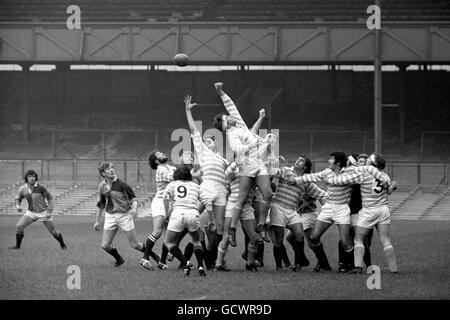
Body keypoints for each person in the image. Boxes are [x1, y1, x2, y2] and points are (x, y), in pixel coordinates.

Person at [213, 82, 274, 246]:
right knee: (242, 198)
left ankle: (261, 225)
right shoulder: (231, 134)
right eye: (227, 117)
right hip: (246, 165)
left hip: (258, 163)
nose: (230, 116)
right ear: (225, 124)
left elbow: (231, 106)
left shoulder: (239, 124)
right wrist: (255, 144)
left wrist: (221, 92)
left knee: (268, 194)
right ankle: (232, 229)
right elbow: (238, 149)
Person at [327, 153, 398, 274]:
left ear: (372, 163)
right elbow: (391, 186)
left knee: (358, 239)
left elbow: (345, 179)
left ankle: (358, 267)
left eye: (369, 160)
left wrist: (331, 179)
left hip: (369, 210)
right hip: (383, 209)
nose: (367, 161)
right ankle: (394, 269)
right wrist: (392, 187)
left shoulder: (364, 174)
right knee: (385, 239)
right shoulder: (384, 175)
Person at [184, 94, 230, 268]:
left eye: (209, 140)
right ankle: (174, 244)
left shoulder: (224, 160)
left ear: (215, 143)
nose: (207, 141)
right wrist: (188, 111)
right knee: (193, 217)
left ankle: (211, 258)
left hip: (222, 191)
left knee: (218, 229)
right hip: (208, 185)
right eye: (205, 141)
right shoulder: (203, 152)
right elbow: (193, 130)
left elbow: (230, 179)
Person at [271, 156, 328, 271]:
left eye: (301, 160)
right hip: (279, 208)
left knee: (300, 235)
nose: (297, 160)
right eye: (298, 159)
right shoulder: (287, 171)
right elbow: (273, 172)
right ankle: (281, 266)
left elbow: (320, 194)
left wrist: (335, 199)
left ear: (305, 167)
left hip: (295, 211)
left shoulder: (306, 181)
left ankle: (299, 264)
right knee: (281, 237)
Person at [93, 162, 145, 267]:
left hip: (124, 215)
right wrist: (97, 221)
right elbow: (101, 204)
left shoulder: (122, 184)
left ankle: (155, 256)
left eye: (112, 168)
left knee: (135, 245)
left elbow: (134, 199)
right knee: (105, 245)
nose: (112, 170)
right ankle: (119, 259)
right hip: (110, 216)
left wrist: (134, 209)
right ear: (103, 173)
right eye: (108, 169)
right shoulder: (102, 186)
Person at [162, 165, 207, 276]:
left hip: (178, 214)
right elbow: (205, 200)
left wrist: (167, 213)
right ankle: (201, 266)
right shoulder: (195, 186)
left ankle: (185, 262)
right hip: (193, 213)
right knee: (196, 241)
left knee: (168, 242)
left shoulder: (173, 184)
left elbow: (165, 197)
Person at [10, 169, 66, 250]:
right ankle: (17, 247)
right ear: (26, 178)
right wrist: (17, 206)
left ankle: (63, 245)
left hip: (43, 212)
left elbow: (50, 199)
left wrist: (49, 211)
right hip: (31, 212)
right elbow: (18, 198)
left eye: (33, 176)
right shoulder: (23, 189)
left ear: (36, 178)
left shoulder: (41, 187)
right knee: (19, 226)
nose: (32, 178)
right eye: (30, 176)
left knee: (53, 232)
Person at [141, 150, 176, 270]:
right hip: (161, 202)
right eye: (159, 154)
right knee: (157, 232)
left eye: (161, 152)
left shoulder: (169, 167)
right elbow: (176, 177)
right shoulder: (161, 169)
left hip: (169, 203)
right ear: (156, 161)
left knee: (168, 235)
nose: (162, 154)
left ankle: (162, 261)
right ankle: (145, 258)